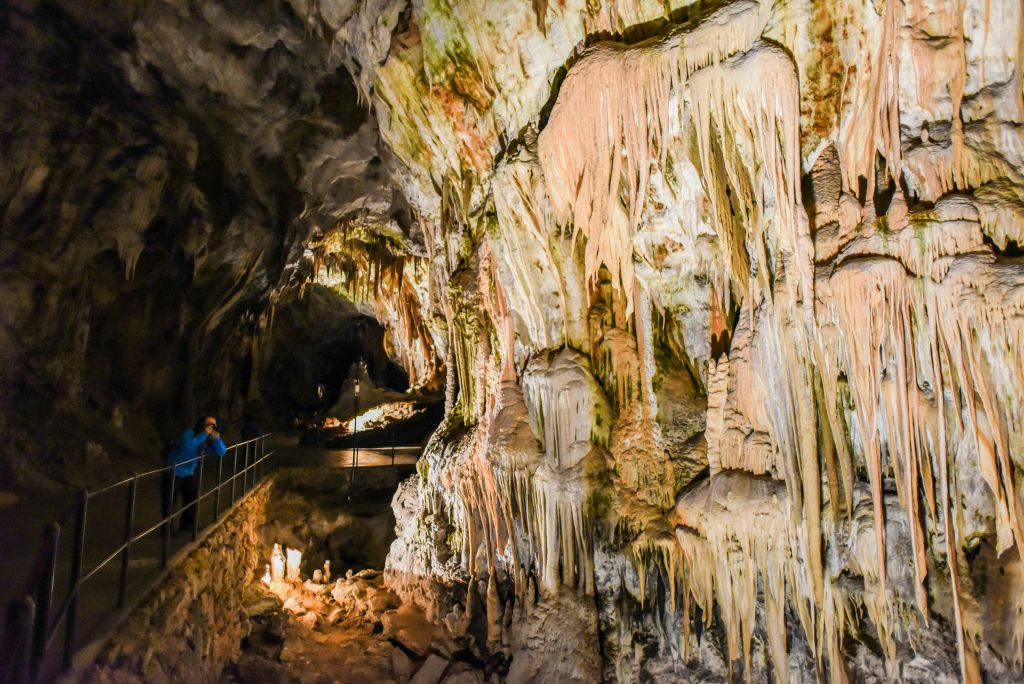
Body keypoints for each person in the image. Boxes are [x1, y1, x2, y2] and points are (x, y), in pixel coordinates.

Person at [162, 416, 227, 535]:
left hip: (188, 472)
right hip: (173, 470)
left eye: (214, 425)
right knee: (170, 501)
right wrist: (203, 434)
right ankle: (166, 530)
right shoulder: (190, 433)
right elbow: (187, 447)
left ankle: (187, 525)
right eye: (209, 425)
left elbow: (222, 452)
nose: (211, 428)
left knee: (192, 498)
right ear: (202, 424)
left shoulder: (209, 439)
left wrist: (216, 439)